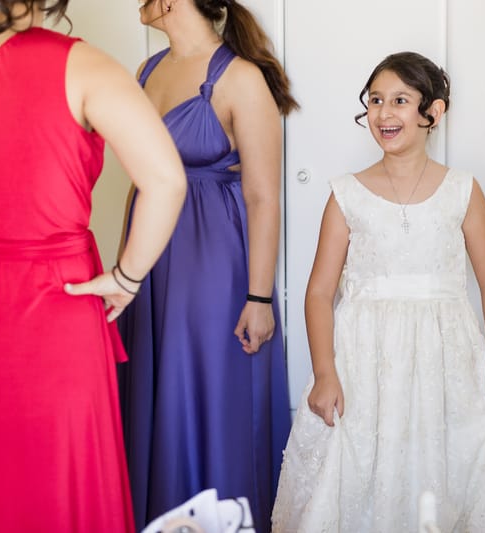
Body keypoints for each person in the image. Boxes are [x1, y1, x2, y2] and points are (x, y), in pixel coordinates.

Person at [271, 51, 485, 533]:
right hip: (363, 362)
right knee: (359, 467)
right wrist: (325, 373)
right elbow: (319, 292)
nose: (384, 113)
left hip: (445, 360)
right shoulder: (346, 194)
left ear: (434, 112)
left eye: (400, 101)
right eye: (376, 101)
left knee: (442, 469)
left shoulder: (463, 190)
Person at [0, 1, 187, 531]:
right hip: (62, 295)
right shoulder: (86, 66)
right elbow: (167, 181)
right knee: (62, 475)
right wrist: (127, 277)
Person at [116, 0, 297, 530]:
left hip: (211, 261)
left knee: (205, 392)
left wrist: (259, 299)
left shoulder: (240, 78)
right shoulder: (147, 71)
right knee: (152, 394)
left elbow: (264, 198)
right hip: (150, 261)